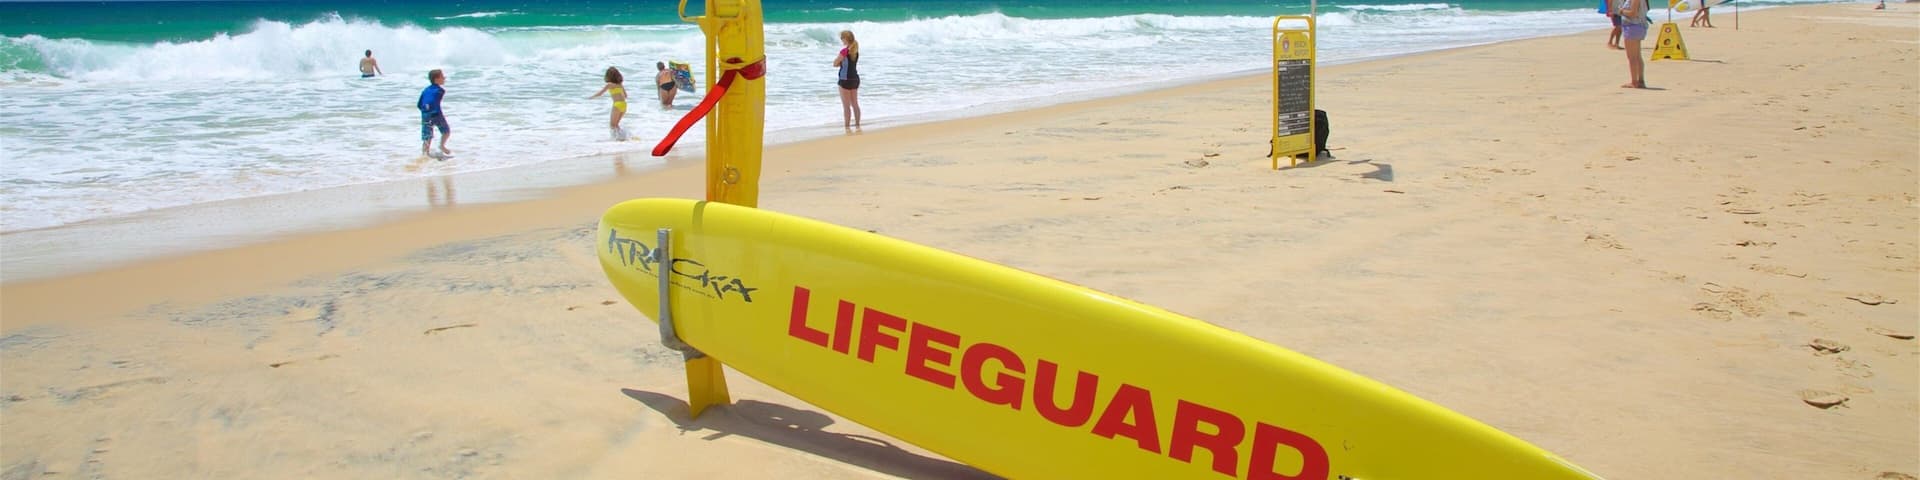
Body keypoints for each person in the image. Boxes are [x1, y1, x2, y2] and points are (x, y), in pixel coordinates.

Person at [418, 69, 453, 159]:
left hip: (425, 115)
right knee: (446, 131)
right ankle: (441, 146)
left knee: (427, 136)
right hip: (436, 114)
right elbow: (433, 102)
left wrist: (425, 112)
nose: (444, 78)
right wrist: (435, 112)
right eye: (442, 76)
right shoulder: (440, 90)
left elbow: (419, 104)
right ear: (436, 79)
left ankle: (424, 155)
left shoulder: (425, 90)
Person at [833, 30, 862, 130]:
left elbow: (835, 63)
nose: (841, 40)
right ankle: (857, 124)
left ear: (846, 38)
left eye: (842, 38)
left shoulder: (844, 51)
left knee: (846, 106)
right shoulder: (855, 51)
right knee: (855, 103)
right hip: (855, 79)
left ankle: (847, 126)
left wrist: (840, 63)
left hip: (845, 80)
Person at [1619, 0, 1651, 89]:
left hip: (1632, 27)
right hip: (1638, 27)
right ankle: (1640, 80)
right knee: (1637, 56)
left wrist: (1621, 11)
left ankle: (1634, 81)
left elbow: (1633, 13)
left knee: (1632, 57)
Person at [589, 66, 628, 136]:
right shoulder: (620, 84)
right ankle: (623, 137)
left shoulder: (609, 85)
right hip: (624, 104)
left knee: (612, 125)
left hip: (617, 105)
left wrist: (591, 97)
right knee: (616, 125)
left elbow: (600, 93)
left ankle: (618, 138)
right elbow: (626, 96)